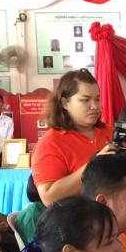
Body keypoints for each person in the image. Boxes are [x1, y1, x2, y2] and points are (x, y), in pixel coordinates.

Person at [31, 69, 114, 206]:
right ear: (65, 103)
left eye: (97, 99)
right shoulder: (51, 143)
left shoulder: (109, 132)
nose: (94, 106)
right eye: (85, 100)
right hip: (80, 217)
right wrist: (94, 165)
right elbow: (49, 198)